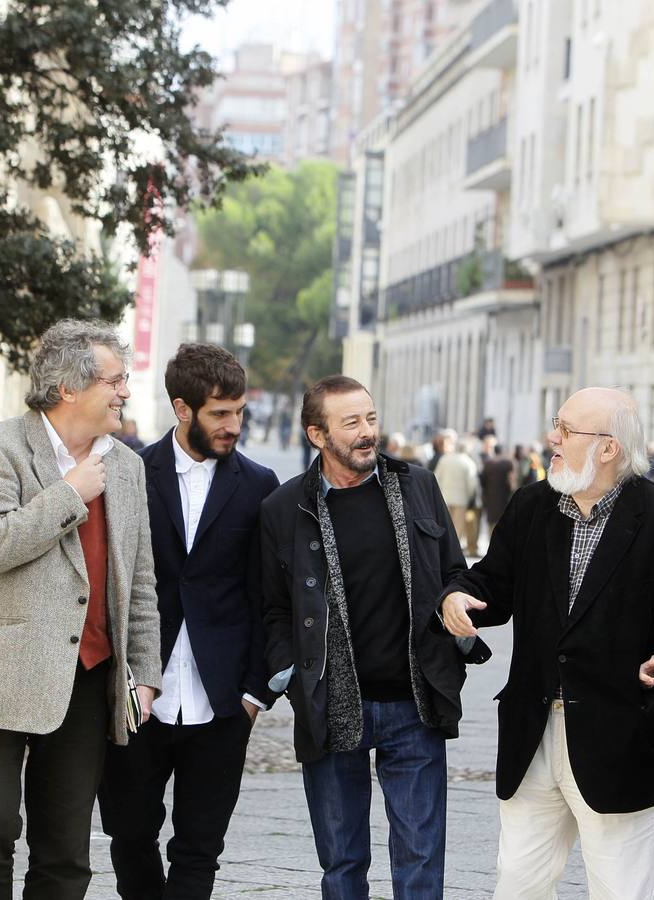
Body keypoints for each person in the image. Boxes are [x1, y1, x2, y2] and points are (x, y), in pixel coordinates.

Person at [441, 387, 654, 899]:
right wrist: (458, 596)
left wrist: (651, 712)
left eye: (566, 430)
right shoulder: (532, 506)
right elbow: (493, 585)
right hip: (532, 734)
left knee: (619, 892)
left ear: (608, 448)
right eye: (556, 424)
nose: (552, 437)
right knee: (516, 887)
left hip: (622, 744)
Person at [0, 319, 162, 899]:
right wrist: (68, 494)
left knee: (65, 851)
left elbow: (142, 580)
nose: (125, 391)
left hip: (86, 678)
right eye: (115, 380)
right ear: (68, 389)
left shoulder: (128, 468)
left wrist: (146, 674)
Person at [260, 375, 489, 899]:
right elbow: (273, 608)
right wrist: (291, 674)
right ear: (317, 435)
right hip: (331, 705)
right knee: (342, 865)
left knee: (421, 861)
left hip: (415, 703)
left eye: (370, 419)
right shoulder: (283, 509)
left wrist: (456, 603)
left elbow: (456, 570)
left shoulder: (418, 486)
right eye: (351, 424)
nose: (367, 433)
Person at [96, 343, 279, 898]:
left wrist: (254, 694)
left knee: (200, 848)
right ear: (182, 409)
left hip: (222, 699)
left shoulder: (259, 485)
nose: (234, 425)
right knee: (128, 833)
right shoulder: (127, 472)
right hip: (137, 691)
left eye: (239, 412)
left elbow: (270, 598)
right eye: (220, 413)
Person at [433, 436, 481, 556]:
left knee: (444, 523)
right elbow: (472, 483)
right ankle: (453, 550)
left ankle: (442, 547)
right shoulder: (468, 462)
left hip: (445, 496)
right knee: (457, 526)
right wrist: (470, 497)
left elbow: (436, 477)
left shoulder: (445, 459)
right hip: (461, 499)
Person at [479, 443, 516, 534]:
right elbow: (511, 480)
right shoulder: (508, 463)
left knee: (491, 521)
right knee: (502, 520)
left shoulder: (488, 463)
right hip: (504, 496)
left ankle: (490, 541)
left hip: (490, 496)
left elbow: (482, 480)